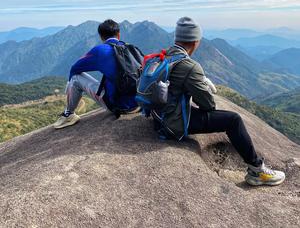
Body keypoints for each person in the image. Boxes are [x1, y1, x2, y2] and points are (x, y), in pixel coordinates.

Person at [155, 16, 285, 186]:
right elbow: (208, 105)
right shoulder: (189, 66)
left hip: (159, 118)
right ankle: (257, 170)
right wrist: (202, 86)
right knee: (233, 120)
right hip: (173, 124)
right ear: (196, 41)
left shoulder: (163, 57)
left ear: (176, 39)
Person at [53, 19, 141, 129]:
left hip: (118, 105)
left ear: (101, 37)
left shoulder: (100, 51)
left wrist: (69, 89)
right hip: (139, 103)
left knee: (76, 78)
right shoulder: (131, 48)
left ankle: (68, 114)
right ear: (118, 34)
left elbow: (75, 68)